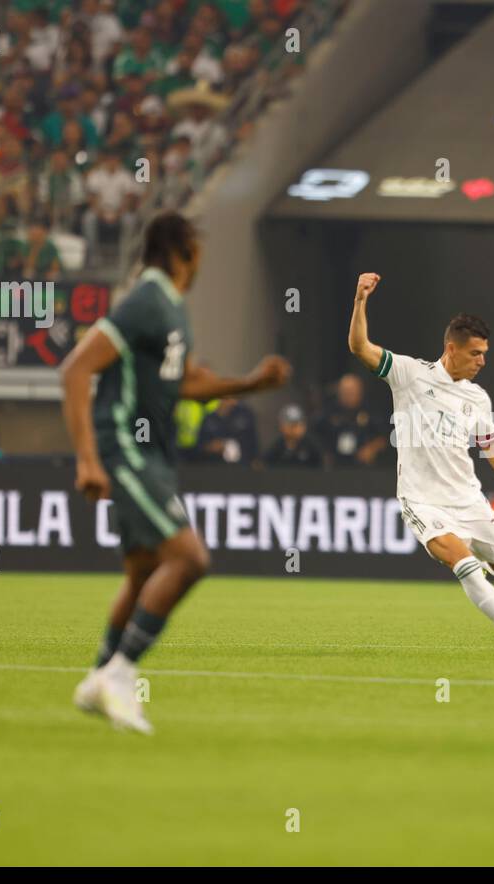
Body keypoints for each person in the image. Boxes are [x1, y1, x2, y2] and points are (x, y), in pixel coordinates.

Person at [60, 211, 290, 733]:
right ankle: (119, 675)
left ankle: (97, 678)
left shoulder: (174, 309)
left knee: (143, 573)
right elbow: (76, 368)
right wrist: (89, 458)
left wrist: (251, 385)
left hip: (155, 456)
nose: (203, 259)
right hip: (127, 450)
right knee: (190, 559)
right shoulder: (146, 299)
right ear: (184, 249)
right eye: (199, 248)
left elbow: (184, 385)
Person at [348, 272, 494, 663]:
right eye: (476, 353)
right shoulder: (409, 374)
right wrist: (360, 300)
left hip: (467, 499)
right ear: (451, 349)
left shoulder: (476, 398)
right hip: (422, 501)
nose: (482, 361)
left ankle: (478, 562)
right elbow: (359, 346)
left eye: (485, 353)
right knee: (465, 566)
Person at [313, 372, 384, 468]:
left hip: (362, 468)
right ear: (338, 392)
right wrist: (323, 454)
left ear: (360, 392)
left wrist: (371, 449)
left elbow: (383, 437)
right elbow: (314, 434)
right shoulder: (328, 411)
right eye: (345, 392)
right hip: (333, 468)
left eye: (352, 392)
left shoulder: (369, 411)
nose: (348, 396)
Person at [193, 396, 257, 464]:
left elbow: (253, 441)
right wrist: (212, 447)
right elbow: (199, 447)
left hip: (242, 466)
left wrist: (256, 460)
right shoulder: (209, 418)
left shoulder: (244, 414)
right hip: (214, 466)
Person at [262, 404, 322, 468]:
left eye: (297, 425)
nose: (295, 429)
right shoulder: (278, 445)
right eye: (291, 425)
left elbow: (320, 465)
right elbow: (264, 462)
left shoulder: (311, 444)